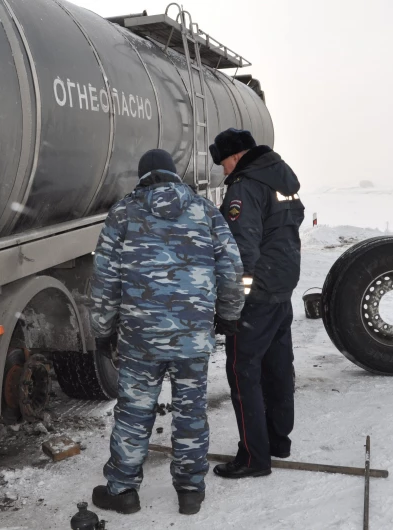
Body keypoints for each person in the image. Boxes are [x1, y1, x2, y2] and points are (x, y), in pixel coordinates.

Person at [89, 149, 245, 516]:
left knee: (134, 410)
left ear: (142, 177)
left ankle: (123, 490)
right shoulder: (204, 211)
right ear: (174, 175)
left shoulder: (123, 214)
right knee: (191, 409)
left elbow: (104, 279)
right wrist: (228, 316)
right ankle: (190, 490)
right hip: (192, 335)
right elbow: (232, 268)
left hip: (141, 337)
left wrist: (102, 329)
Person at [209, 128, 305, 479]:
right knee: (278, 368)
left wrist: (232, 305)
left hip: (257, 297)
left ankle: (253, 457)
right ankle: (278, 441)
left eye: (224, 162)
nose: (223, 171)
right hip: (282, 289)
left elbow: (242, 250)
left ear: (236, 155)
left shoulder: (245, 186)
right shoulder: (280, 178)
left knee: (243, 373)